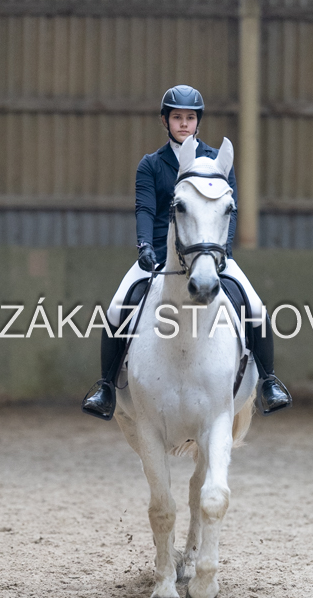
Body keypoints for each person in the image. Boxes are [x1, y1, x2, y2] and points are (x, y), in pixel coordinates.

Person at [82, 84, 292, 420]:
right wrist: (144, 246)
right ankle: (106, 386)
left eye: (190, 118)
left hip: (210, 254)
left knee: (255, 307)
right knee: (116, 308)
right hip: (159, 256)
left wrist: (222, 252)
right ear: (165, 121)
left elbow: (230, 210)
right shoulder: (151, 165)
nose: (184, 124)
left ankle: (269, 381)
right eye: (177, 117)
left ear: (198, 121)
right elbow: (145, 209)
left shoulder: (217, 162)